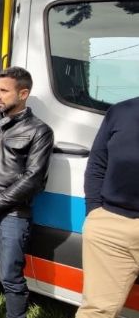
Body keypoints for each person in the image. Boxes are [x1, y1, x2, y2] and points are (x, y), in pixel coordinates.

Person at [0, 67, 54, 318]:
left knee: (11, 276)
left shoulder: (39, 131)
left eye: (4, 90)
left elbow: (33, 179)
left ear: (23, 93)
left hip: (13, 214)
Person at [75, 96, 139, 318]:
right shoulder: (121, 111)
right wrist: (95, 211)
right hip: (110, 225)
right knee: (96, 311)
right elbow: (97, 163)